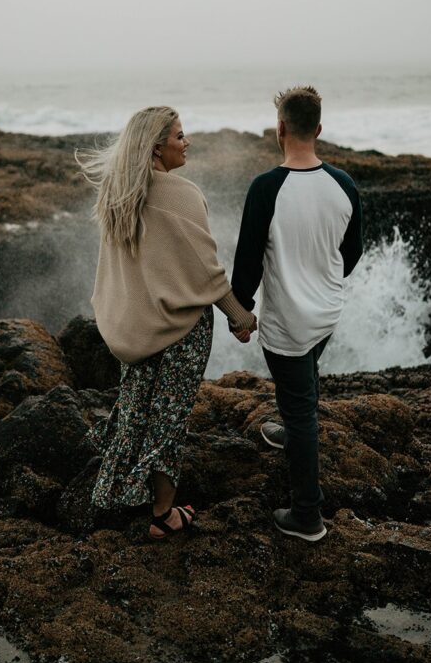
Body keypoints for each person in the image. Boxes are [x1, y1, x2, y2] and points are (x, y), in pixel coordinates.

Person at [78, 106, 256, 539]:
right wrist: (240, 317)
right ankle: (163, 514)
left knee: (136, 413)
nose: (186, 141)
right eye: (179, 135)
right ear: (157, 147)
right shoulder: (181, 193)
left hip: (136, 329)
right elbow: (205, 271)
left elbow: (118, 272)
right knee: (169, 418)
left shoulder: (118, 196)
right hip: (181, 331)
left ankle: (116, 496)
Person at [230, 86, 362, 543]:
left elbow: (247, 260)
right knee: (303, 383)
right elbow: (353, 251)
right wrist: (319, 279)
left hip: (288, 319)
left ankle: (308, 515)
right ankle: (289, 429)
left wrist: (239, 312)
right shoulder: (344, 184)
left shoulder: (267, 188)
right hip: (326, 312)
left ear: (280, 128)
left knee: (303, 409)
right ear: (319, 129)